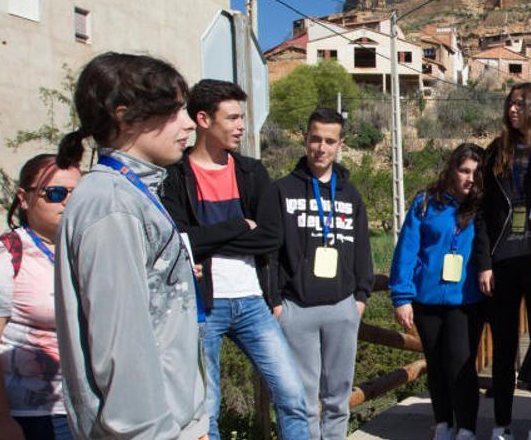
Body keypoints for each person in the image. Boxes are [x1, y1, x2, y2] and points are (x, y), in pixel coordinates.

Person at [53, 52, 207, 438]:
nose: (188, 124)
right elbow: (121, 344)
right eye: (174, 112)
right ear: (124, 117)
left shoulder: (134, 193)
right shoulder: (113, 204)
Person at [160, 80, 308, 440]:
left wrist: (207, 239)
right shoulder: (175, 175)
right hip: (201, 306)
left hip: (253, 302)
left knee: (292, 395)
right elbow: (178, 242)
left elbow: (273, 235)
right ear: (203, 119)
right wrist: (240, 224)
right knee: (205, 411)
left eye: (242, 117)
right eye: (232, 117)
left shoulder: (252, 172)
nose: (241, 125)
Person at [0, 154, 79, 439]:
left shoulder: (85, 253)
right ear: (24, 198)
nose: (69, 202)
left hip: (81, 411)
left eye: (78, 192)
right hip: (24, 419)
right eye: (55, 193)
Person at [472, 83, 531, 440]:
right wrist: (484, 263)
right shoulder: (497, 150)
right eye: (510, 103)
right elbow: (481, 212)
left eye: (521, 104)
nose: (512, 110)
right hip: (502, 263)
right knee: (504, 348)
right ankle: (501, 425)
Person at [274, 107, 374, 439]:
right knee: (302, 400)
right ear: (305, 139)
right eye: (315, 138)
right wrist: (276, 302)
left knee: (338, 397)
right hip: (296, 309)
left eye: (329, 141)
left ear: (339, 145)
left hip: (341, 308)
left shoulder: (351, 195)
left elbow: (362, 248)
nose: (321, 147)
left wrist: (360, 297)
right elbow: (270, 251)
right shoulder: (282, 190)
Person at [391, 143, 489, 440]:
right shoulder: (425, 203)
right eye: (464, 170)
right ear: (452, 170)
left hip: (466, 300)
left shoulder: (483, 209)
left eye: (476, 172)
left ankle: (467, 428)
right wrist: (401, 296)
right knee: (435, 364)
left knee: (461, 363)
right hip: (427, 300)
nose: (470, 178)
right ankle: (444, 423)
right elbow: (407, 251)